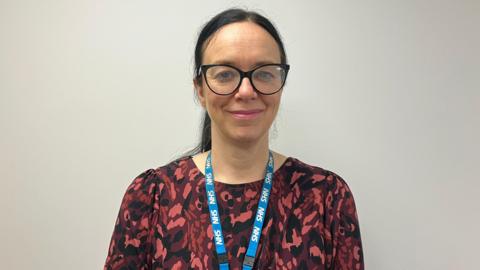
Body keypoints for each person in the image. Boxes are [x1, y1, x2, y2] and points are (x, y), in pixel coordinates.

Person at [104, 8, 364, 270]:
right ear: (200, 89)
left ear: (281, 84)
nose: (246, 91)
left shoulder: (326, 197)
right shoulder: (152, 197)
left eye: (264, 72)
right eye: (225, 74)